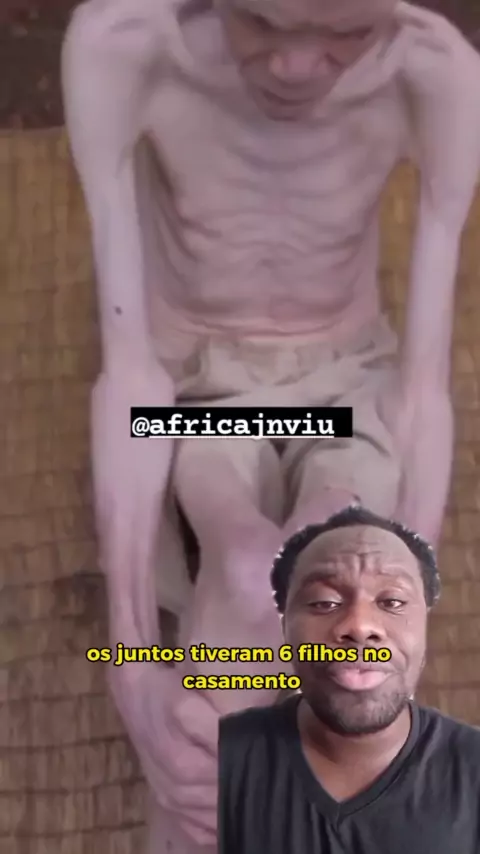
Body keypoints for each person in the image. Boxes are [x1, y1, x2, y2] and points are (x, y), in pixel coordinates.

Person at [61, 0, 480, 850]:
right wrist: (131, 665)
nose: (295, 68)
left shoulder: (435, 73)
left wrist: (406, 599)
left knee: (329, 585)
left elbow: (421, 389)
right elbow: (131, 377)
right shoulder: (127, 47)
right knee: (248, 570)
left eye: (345, 37)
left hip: (348, 380)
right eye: (262, 23)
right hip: (200, 382)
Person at [219, 504, 480, 853]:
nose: (359, 626)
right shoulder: (221, 760)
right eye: (324, 602)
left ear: (425, 622)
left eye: (392, 601)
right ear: (284, 626)